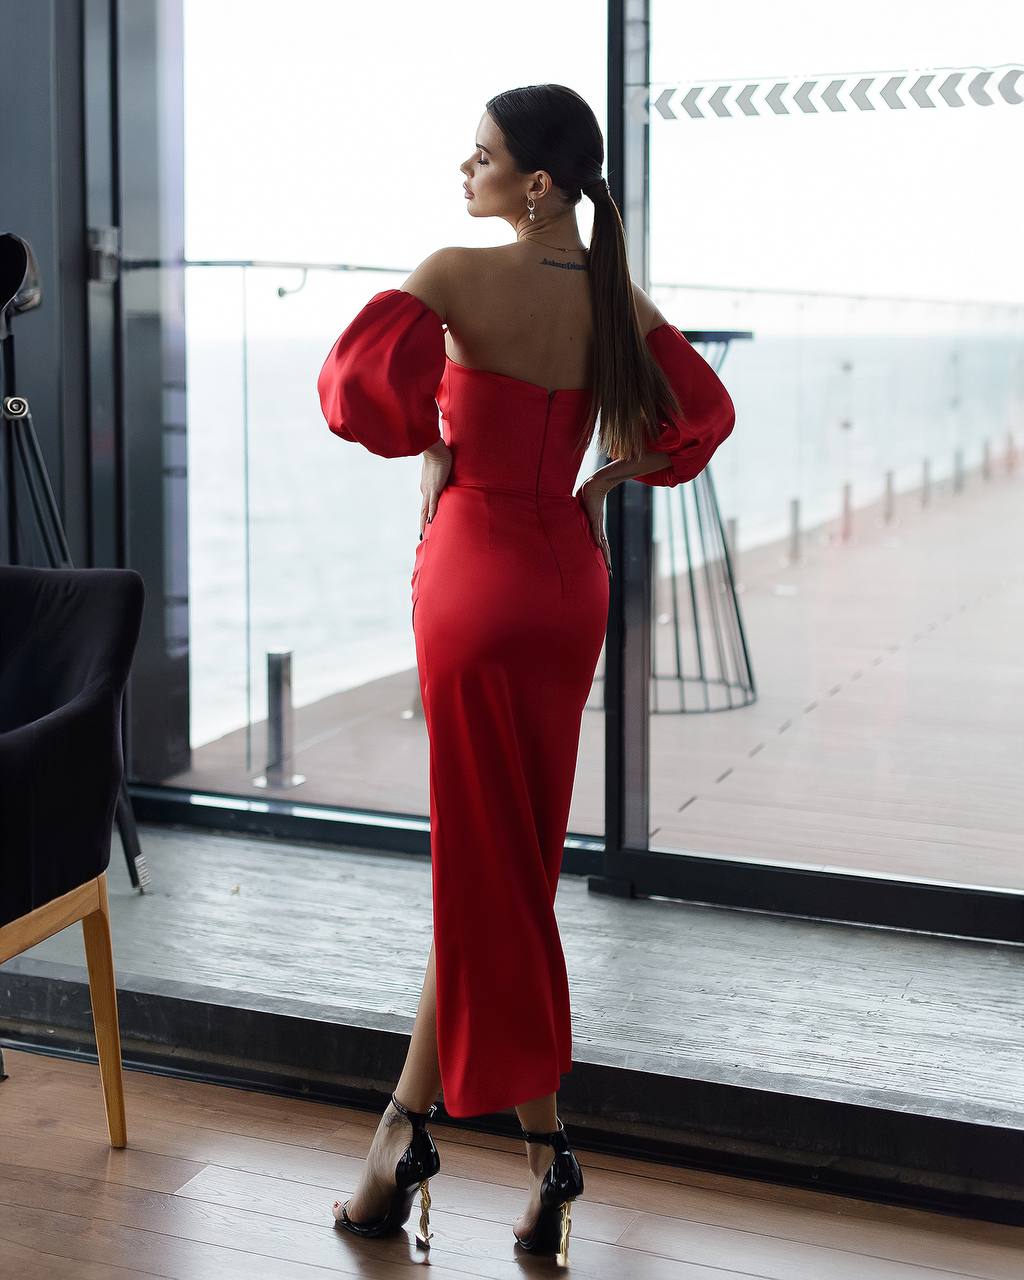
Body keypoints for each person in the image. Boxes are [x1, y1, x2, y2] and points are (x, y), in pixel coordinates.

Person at [316, 83, 735, 1263]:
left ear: (536, 184)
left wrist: (434, 446)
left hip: (473, 572)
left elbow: (352, 387)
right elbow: (703, 413)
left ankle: (524, 1142)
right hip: (566, 580)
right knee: (509, 867)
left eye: (485, 153)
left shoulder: (453, 273)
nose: (466, 167)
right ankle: (415, 1137)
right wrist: (602, 485)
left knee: (483, 865)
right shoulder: (616, 299)